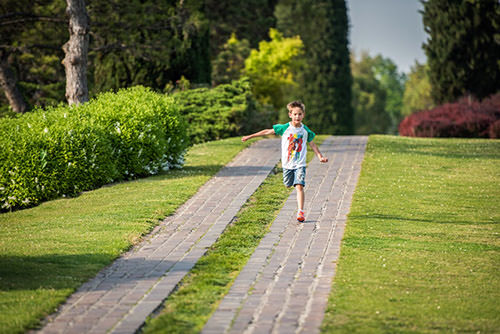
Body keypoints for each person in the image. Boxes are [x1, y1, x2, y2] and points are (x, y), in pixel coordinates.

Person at [242, 101, 328, 222]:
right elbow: (267, 131)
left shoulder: (305, 131)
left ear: (303, 115)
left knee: (299, 186)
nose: (297, 117)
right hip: (287, 164)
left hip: (300, 164)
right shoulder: (284, 128)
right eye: (295, 114)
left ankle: (301, 212)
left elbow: (312, 144)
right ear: (290, 115)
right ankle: (291, 186)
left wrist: (320, 157)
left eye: (299, 114)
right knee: (288, 185)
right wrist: (249, 136)